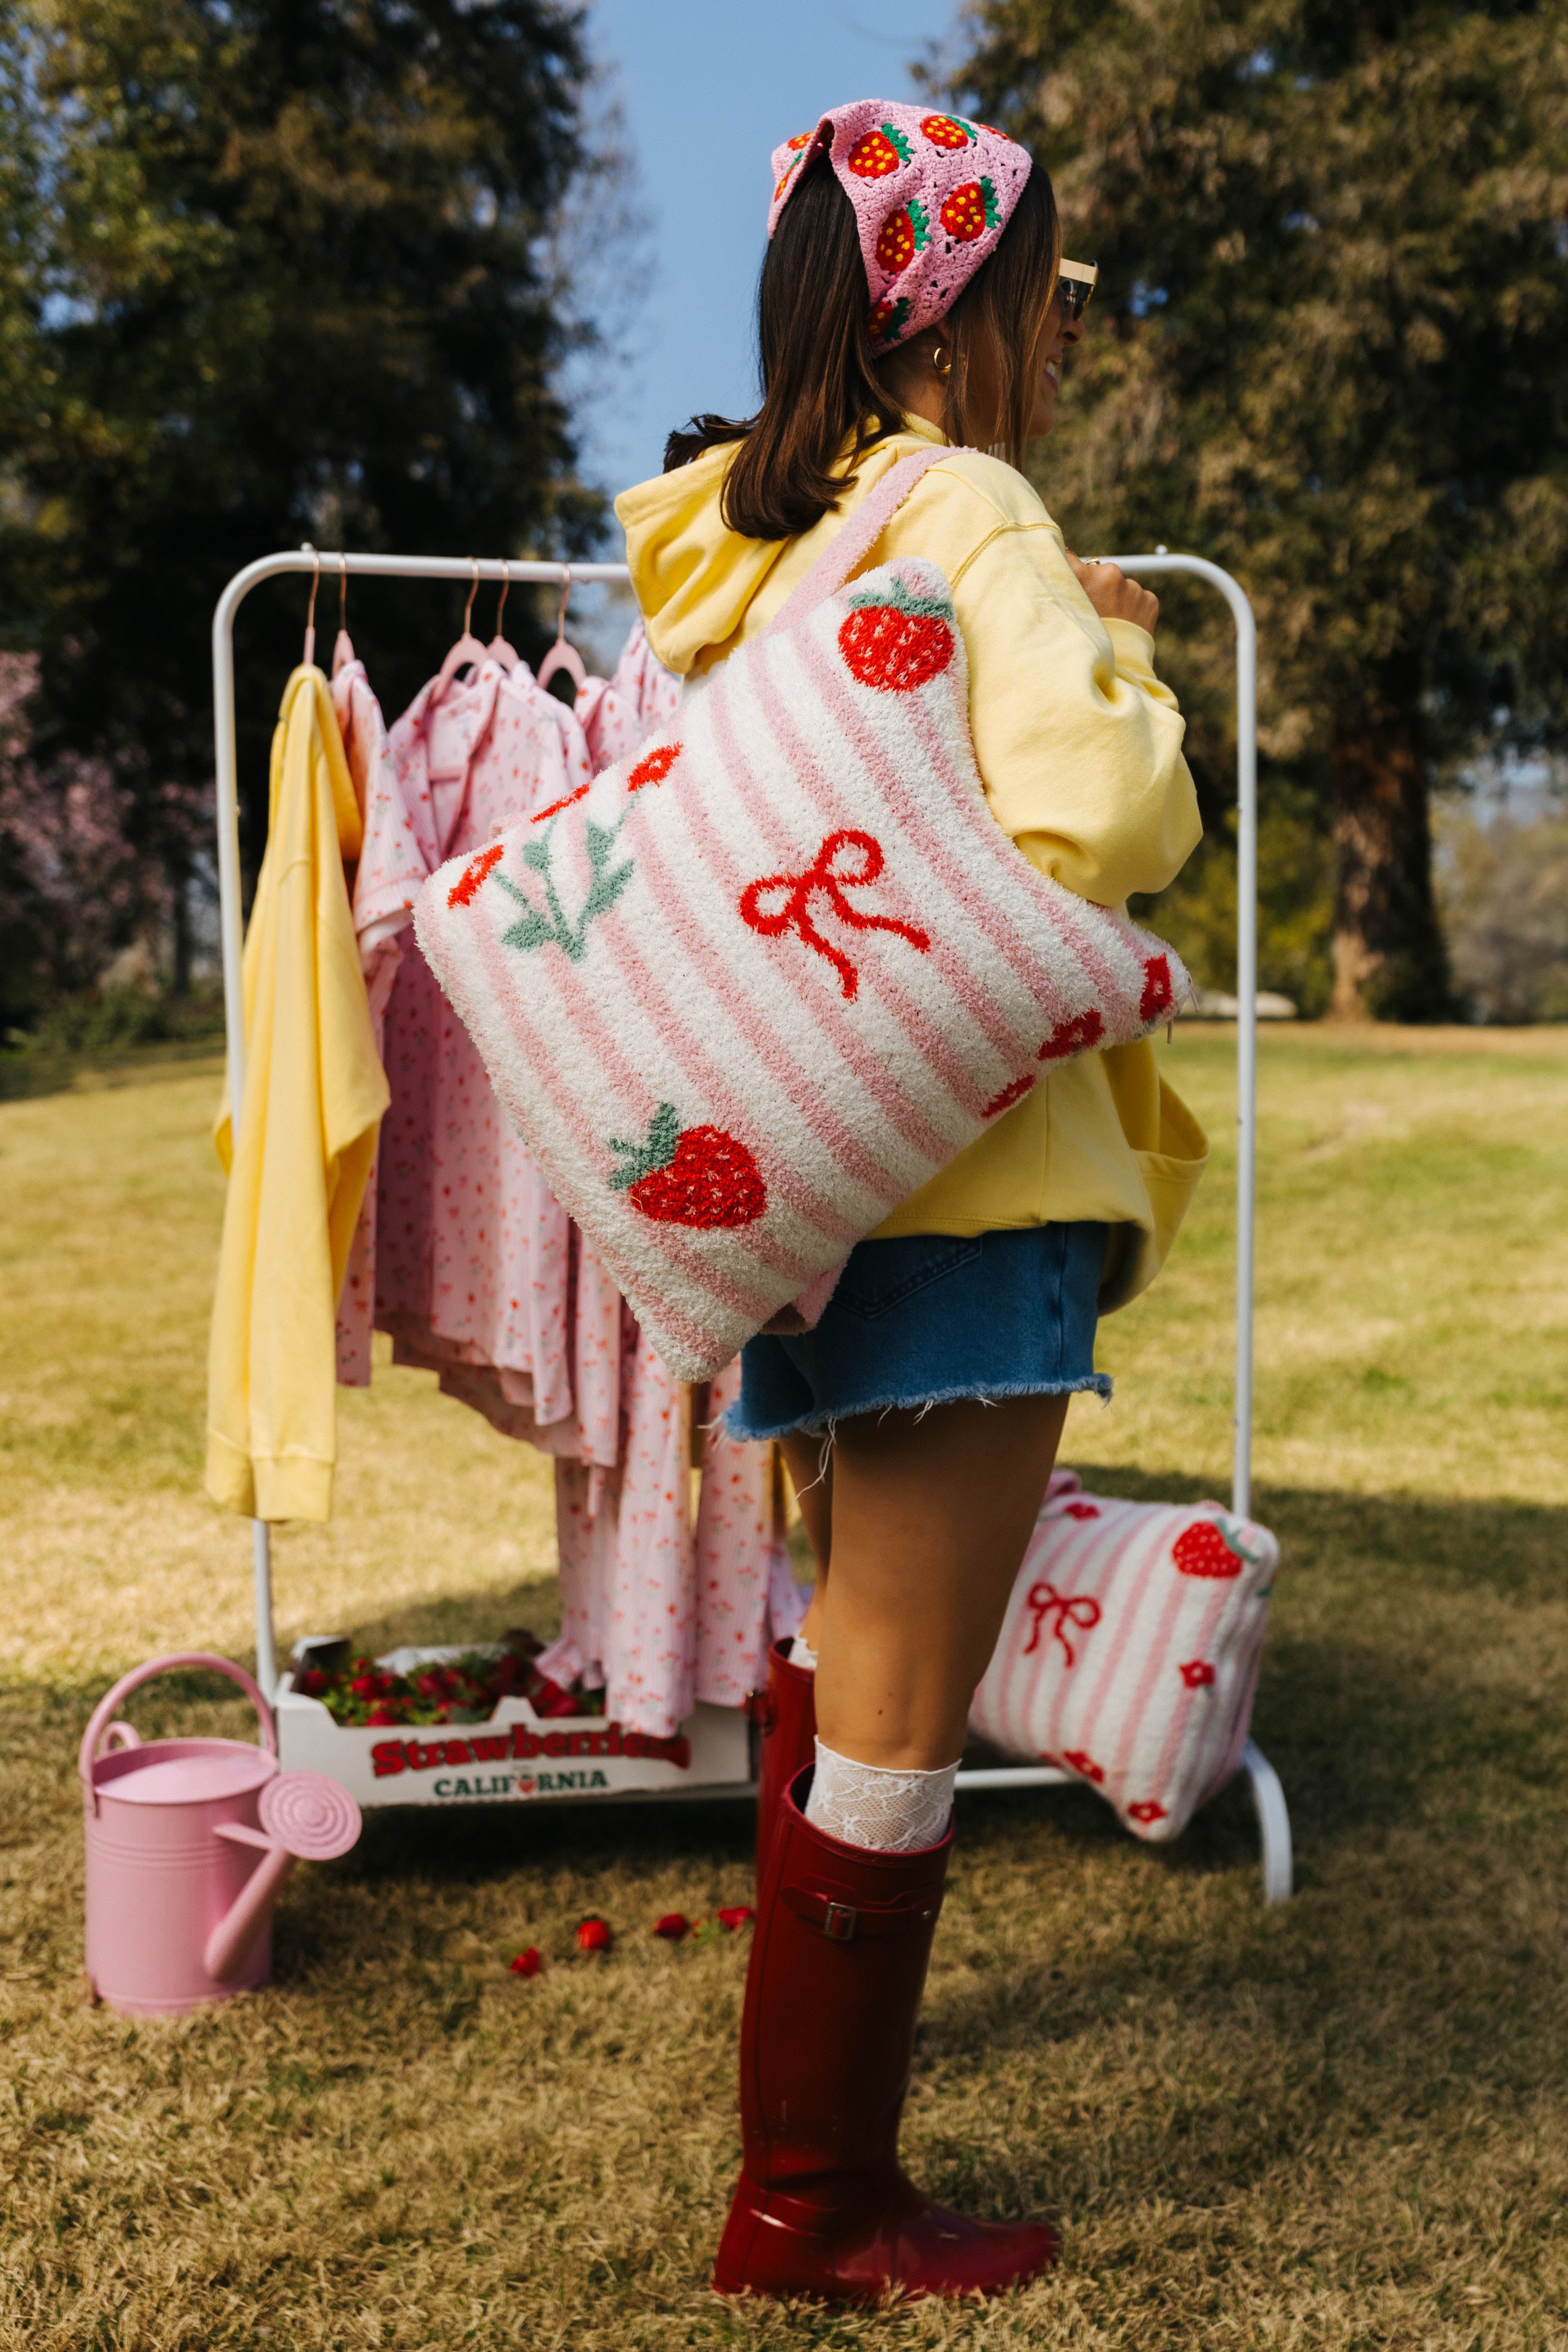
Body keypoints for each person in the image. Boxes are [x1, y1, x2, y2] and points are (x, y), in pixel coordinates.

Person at [616, 99, 1207, 2306]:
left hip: (816, 1162)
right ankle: (816, 2202)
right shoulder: (971, 504)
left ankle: (809, 2165)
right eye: (1043, 287)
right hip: (970, 1174)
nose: (1060, 324)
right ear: (956, 310)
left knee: (847, 1629)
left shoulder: (756, 539)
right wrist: (1119, 654)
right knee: (896, 1679)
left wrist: (1068, 603)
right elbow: (1099, 816)